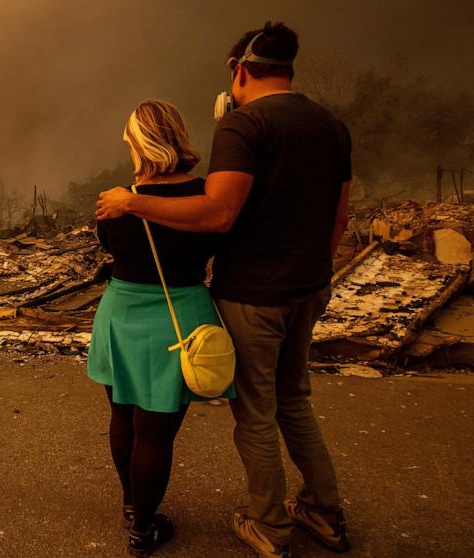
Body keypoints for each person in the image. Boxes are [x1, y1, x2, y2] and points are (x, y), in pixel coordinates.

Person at [95, 22, 352, 558]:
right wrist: (317, 272)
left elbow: (218, 214)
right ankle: (324, 513)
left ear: (240, 70)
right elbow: (339, 216)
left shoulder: (243, 125)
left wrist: (132, 201)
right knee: (295, 402)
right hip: (307, 286)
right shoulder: (332, 124)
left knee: (252, 413)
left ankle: (269, 528)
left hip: (251, 293)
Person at [88, 99, 236, 557]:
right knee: (155, 433)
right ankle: (143, 528)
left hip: (121, 313)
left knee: (122, 416)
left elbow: (111, 245)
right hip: (180, 314)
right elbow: (218, 241)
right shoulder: (207, 196)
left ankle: (134, 509)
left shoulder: (116, 201)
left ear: (139, 142)